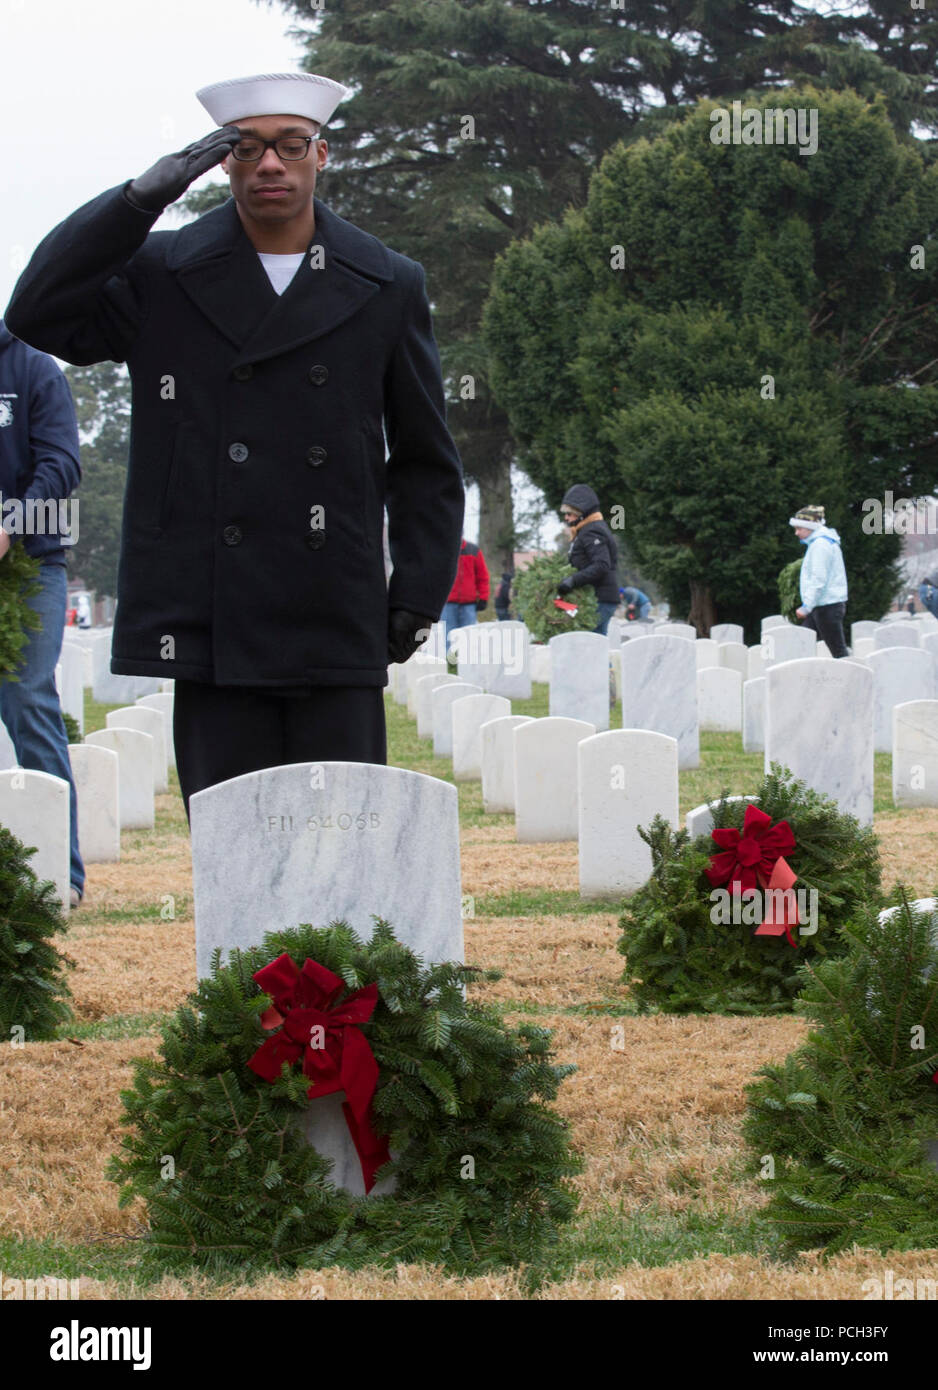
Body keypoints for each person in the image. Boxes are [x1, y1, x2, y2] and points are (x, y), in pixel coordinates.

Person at [5, 72, 464, 821]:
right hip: (213, 620)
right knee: (233, 861)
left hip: (335, 613)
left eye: (289, 146)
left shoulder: (387, 282)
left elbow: (425, 460)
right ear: (222, 164)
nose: (270, 165)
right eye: (246, 149)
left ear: (322, 154)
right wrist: (133, 203)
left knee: (344, 855)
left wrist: (414, 596)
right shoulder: (162, 271)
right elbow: (38, 312)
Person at [0, 319, 86, 906]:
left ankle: (63, 871)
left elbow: (61, 464)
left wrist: (9, 525)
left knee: (27, 697)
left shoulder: (32, 366)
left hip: (31, 563)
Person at [556, 484, 619, 635]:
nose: (566, 517)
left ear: (581, 513)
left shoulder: (592, 531)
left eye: (570, 513)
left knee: (588, 647)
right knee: (596, 649)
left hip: (600, 599)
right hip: (599, 598)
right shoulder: (586, 530)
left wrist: (573, 580)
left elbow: (602, 564)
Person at [789, 504, 849, 657]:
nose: (796, 533)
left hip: (827, 606)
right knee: (801, 644)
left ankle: (856, 679)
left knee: (838, 652)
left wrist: (806, 606)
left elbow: (818, 579)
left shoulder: (820, 546)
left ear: (810, 527)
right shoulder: (820, 543)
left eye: (799, 529)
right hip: (821, 605)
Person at [441, 537, 489, 639]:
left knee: (469, 638)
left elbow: (483, 577)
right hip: (448, 604)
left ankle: (466, 655)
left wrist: (483, 598)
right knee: (449, 638)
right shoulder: (443, 549)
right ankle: (449, 655)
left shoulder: (474, 551)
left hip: (469, 605)